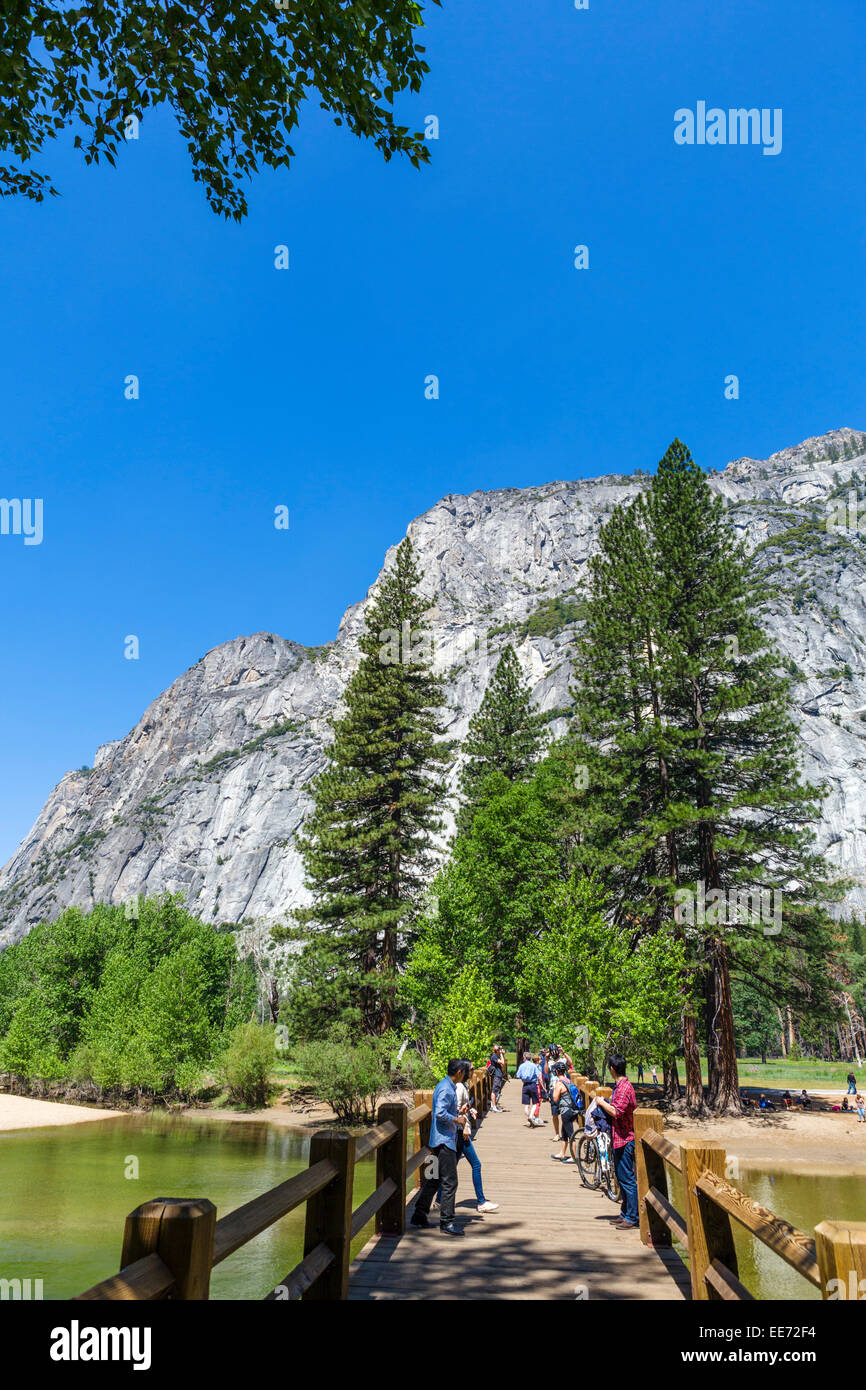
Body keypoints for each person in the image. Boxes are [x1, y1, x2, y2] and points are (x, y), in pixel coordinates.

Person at [411, 1058, 470, 1236]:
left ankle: (419, 1215)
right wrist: (456, 1119)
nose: (466, 1074)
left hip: (437, 1139)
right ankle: (447, 1222)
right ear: (459, 1072)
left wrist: (457, 1113)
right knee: (450, 1182)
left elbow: (444, 1110)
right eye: (465, 1072)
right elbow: (439, 1113)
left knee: (434, 1179)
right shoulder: (446, 1087)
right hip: (445, 1141)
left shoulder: (444, 1085)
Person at [437, 1060, 500, 1214]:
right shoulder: (458, 1087)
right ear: (463, 1071)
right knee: (476, 1165)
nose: (473, 1071)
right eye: (471, 1069)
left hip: (459, 1131)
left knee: (450, 1168)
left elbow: (460, 1109)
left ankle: (439, 1201)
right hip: (460, 1132)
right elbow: (454, 1111)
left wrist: (469, 1109)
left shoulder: (462, 1086)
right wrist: (464, 1126)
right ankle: (481, 1202)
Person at [595, 1055, 638, 1230]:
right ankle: (625, 1213)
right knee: (621, 1178)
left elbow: (617, 1111)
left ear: (612, 1068)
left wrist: (601, 1102)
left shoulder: (624, 1088)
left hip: (626, 1139)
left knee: (627, 1179)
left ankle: (633, 1217)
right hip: (619, 1138)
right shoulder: (620, 1086)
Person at [550, 1062, 581, 1163]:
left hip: (566, 1111)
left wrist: (555, 1088)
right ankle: (562, 1153)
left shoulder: (559, 1083)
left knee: (570, 1133)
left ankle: (574, 1157)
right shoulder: (569, 1080)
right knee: (564, 1132)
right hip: (573, 1110)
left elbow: (555, 1098)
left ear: (557, 1071)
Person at [516, 1051, 544, 1126]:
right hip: (533, 1085)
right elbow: (538, 1076)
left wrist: (523, 1078)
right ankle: (531, 1117)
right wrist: (543, 1087)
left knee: (526, 1105)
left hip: (525, 1085)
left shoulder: (521, 1066)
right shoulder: (534, 1066)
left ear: (524, 1058)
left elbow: (518, 1075)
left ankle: (529, 1119)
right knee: (535, 1103)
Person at [488, 1044, 508, 1112]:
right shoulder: (494, 1056)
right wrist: (502, 1054)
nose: (500, 1050)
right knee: (494, 1091)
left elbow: (503, 1062)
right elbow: (502, 1062)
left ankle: (493, 1105)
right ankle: (493, 1106)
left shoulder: (496, 1056)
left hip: (498, 1075)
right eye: (499, 1049)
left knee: (497, 1091)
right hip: (496, 1075)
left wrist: (502, 1054)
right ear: (497, 1051)